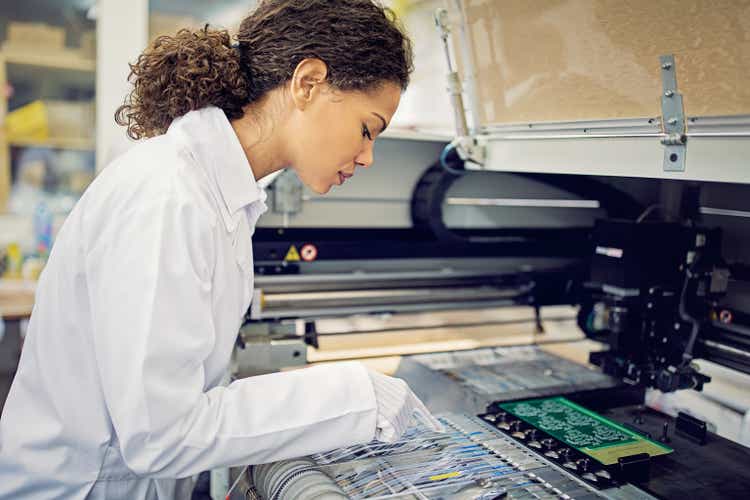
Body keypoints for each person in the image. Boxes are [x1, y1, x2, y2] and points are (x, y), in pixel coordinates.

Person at [0, 1, 443, 498]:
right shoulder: (169, 195)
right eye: (368, 128)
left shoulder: (221, 196)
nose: (367, 156)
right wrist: (355, 396)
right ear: (308, 82)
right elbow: (161, 436)